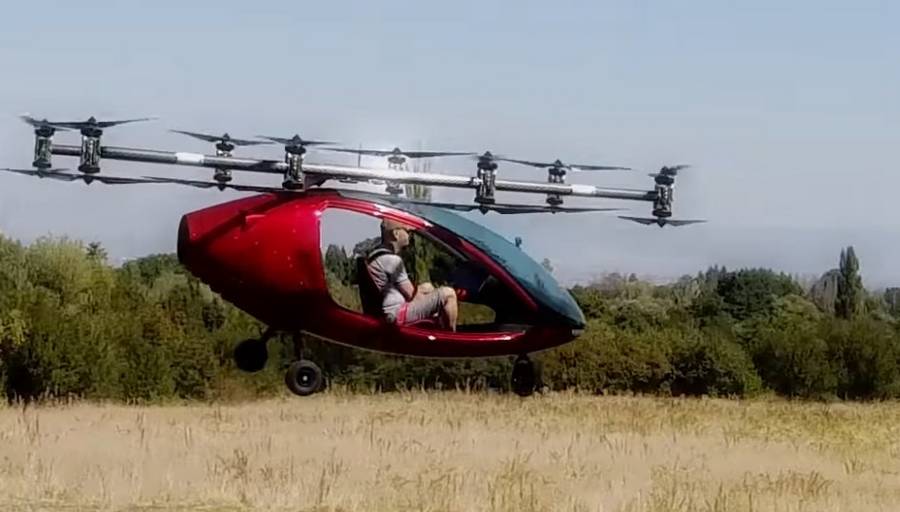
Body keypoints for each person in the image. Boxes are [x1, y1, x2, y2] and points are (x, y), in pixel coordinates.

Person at [366, 218, 458, 331]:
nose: (409, 234)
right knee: (448, 294)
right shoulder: (392, 260)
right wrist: (434, 304)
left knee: (427, 287)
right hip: (397, 314)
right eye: (407, 231)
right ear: (396, 234)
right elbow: (413, 296)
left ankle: (438, 326)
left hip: (391, 310)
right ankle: (450, 337)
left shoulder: (377, 255)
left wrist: (430, 296)